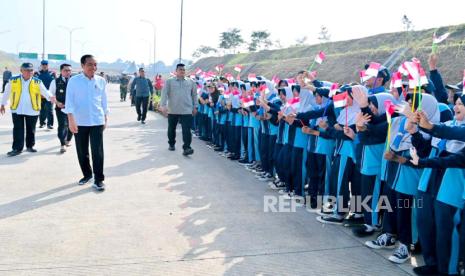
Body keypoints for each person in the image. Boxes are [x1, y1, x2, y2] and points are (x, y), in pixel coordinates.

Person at [64, 55, 108, 191]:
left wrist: (105, 117)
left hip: (97, 121)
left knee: (98, 151)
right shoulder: (74, 81)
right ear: (82, 65)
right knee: (82, 151)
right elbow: (69, 101)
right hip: (80, 121)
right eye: (90, 64)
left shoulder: (101, 81)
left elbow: (103, 100)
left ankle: (99, 179)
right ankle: (87, 174)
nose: (93, 68)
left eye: (95, 65)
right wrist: (71, 120)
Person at [0, 62, 56, 156]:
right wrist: (2, 104)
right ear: (21, 70)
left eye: (31, 70)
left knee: (31, 129)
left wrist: (51, 98)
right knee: (18, 129)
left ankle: (30, 146)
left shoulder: (37, 81)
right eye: (26, 70)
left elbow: (45, 91)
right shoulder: (13, 80)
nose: (29, 72)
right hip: (17, 109)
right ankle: (17, 148)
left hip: (32, 109)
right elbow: (6, 92)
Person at [159, 63, 198, 156]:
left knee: (187, 130)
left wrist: (195, 106)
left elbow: (194, 95)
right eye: (180, 69)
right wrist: (163, 106)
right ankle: (171, 143)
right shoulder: (169, 81)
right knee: (171, 128)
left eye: (183, 70)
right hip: (173, 110)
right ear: (176, 71)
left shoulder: (191, 82)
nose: (182, 71)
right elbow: (164, 93)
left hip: (186, 110)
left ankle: (187, 148)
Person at [49, 63, 73, 153]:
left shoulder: (74, 81)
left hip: (73, 109)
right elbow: (50, 94)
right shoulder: (55, 81)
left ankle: (68, 139)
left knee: (71, 125)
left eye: (69, 70)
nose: (68, 72)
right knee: (62, 125)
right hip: (61, 108)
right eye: (65, 70)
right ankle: (62, 144)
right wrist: (57, 102)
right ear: (61, 71)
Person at [38, 60, 55, 129]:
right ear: (41, 65)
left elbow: (55, 84)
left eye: (46, 64)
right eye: (43, 64)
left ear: (48, 65)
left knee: (49, 110)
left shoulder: (52, 73)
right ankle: (42, 123)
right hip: (40, 96)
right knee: (42, 111)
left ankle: (50, 124)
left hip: (49, 95)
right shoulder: (37, 73)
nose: (44, 66)